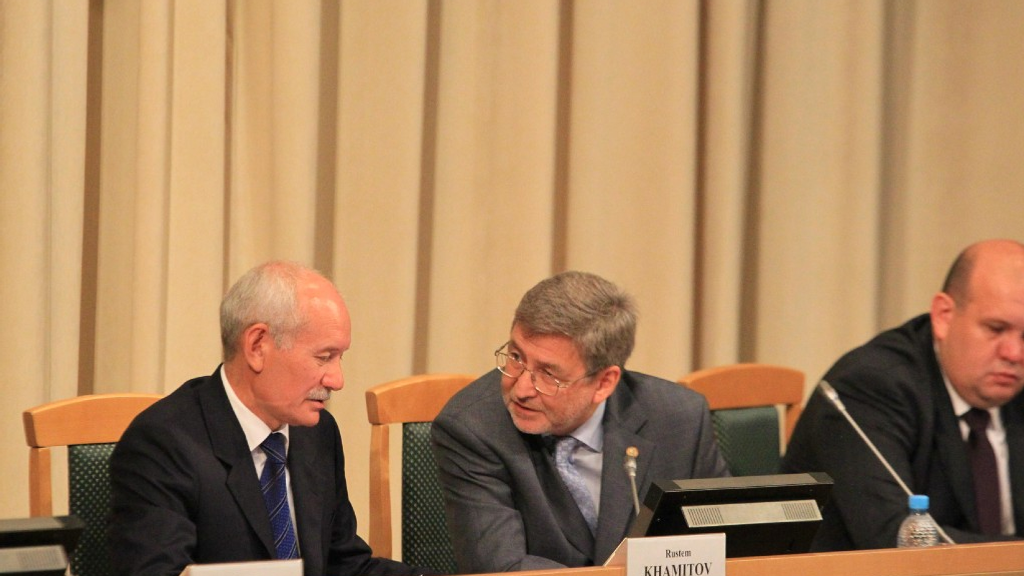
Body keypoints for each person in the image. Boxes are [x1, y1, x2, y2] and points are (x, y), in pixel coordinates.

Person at [108, 261, 432, 576]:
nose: (337, 380)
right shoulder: (163, 444)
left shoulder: (316, 433)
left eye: (340, 358)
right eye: (324, 357)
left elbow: (342, 565)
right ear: (257, 346)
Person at [430, 271, 729, 573]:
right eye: (516, 357)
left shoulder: (678, 418)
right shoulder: (472, 427)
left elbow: (729, 544)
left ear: (604, 383)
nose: (521, 389)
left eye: (549, 374)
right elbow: (501, 568)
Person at [783, 239, 1024, 550]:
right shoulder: (871, 386)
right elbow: (899, 539)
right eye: (995, 328)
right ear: (944, 315)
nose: (1014, 353)